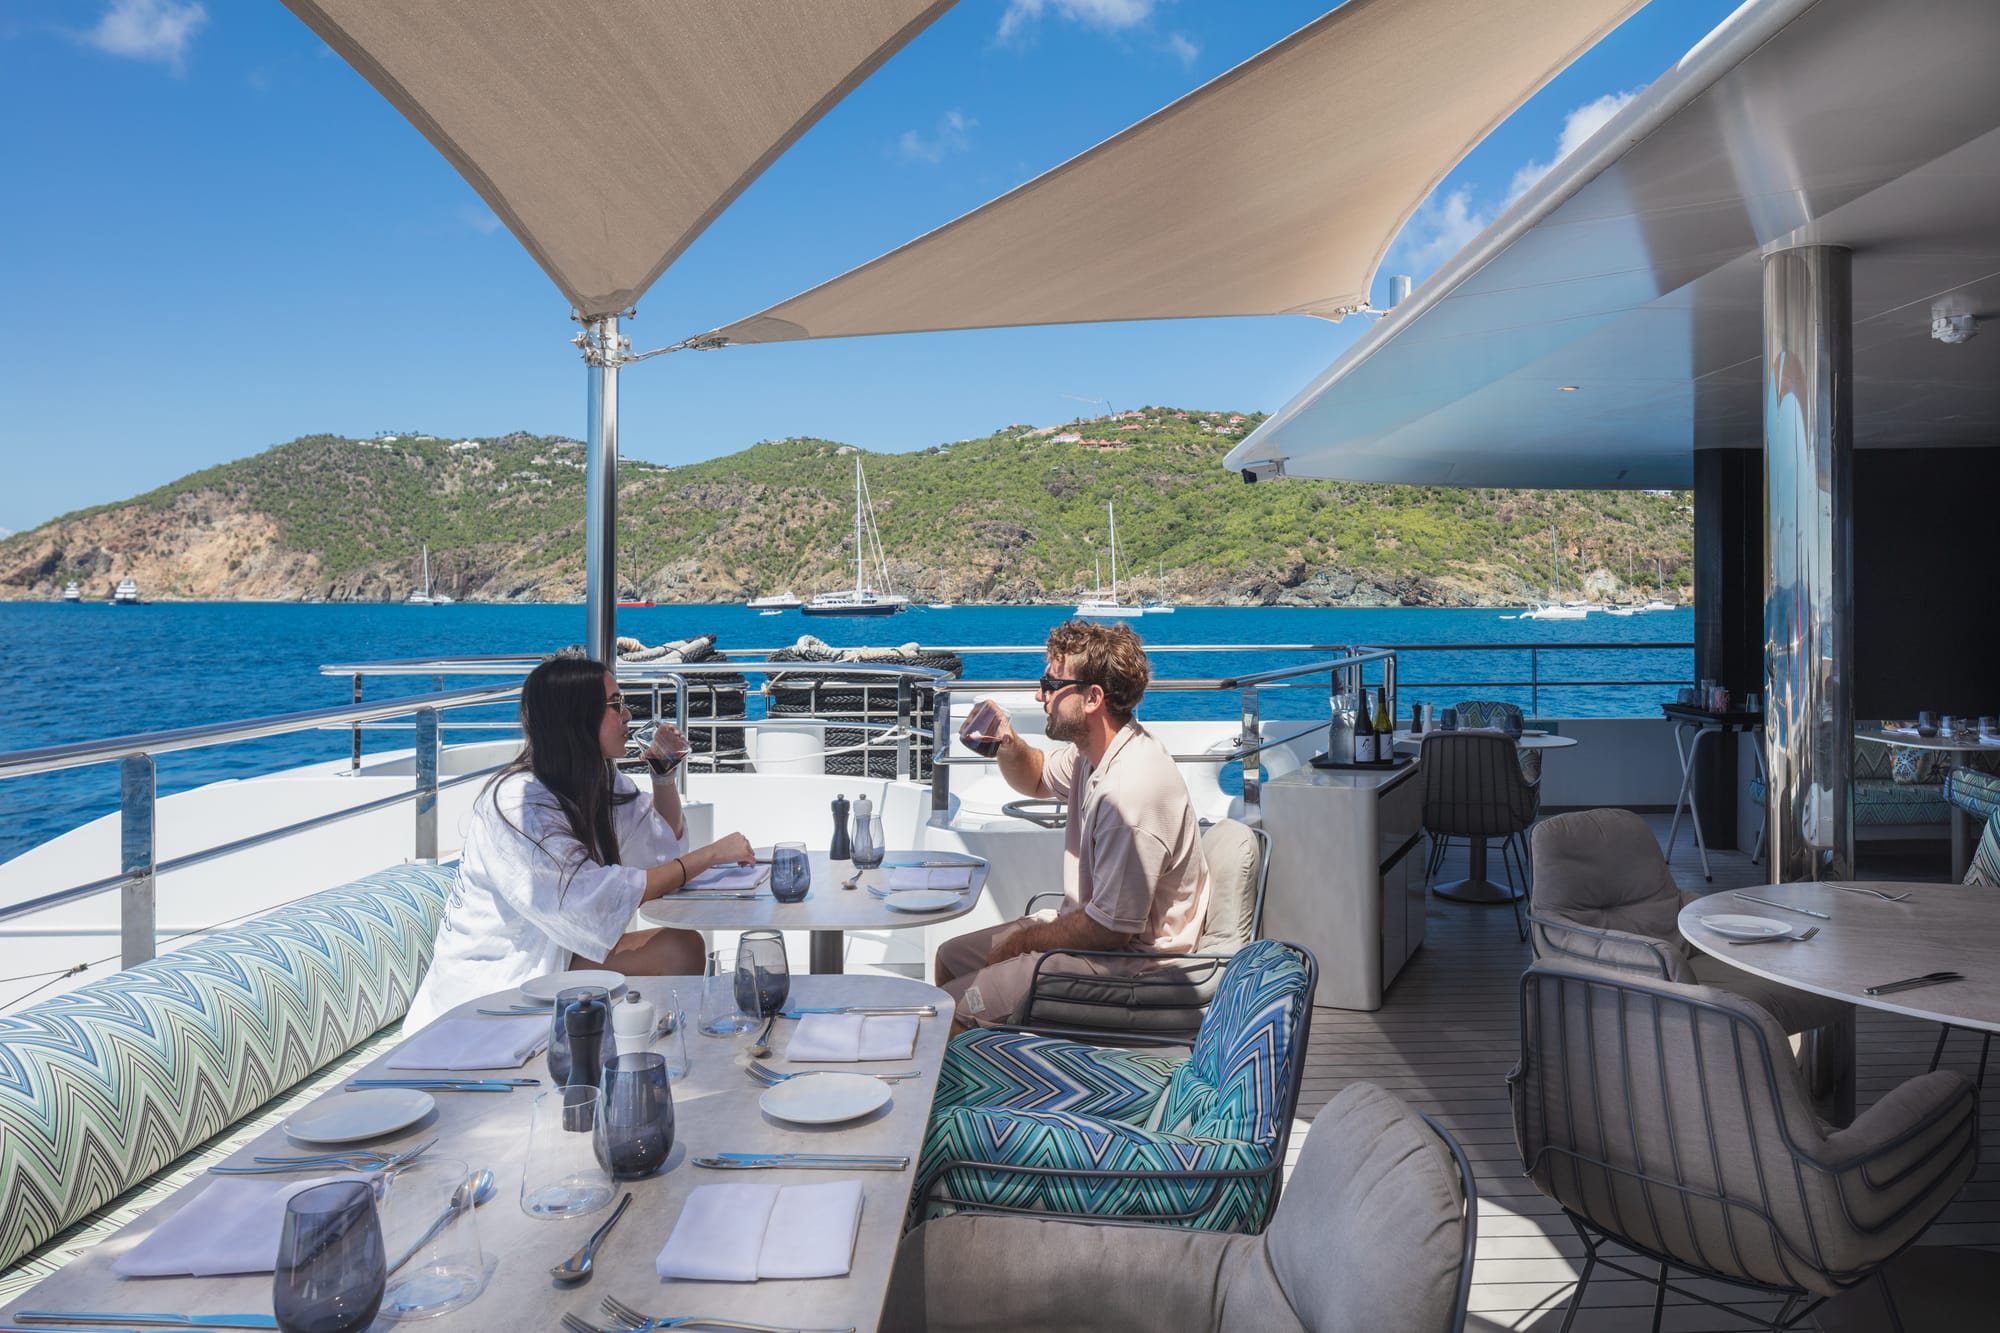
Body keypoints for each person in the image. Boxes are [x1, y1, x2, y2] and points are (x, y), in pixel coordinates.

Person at [404, 654, 753, 1029]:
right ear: (576, 716)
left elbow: (660, 851)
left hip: (555, 959)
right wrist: (714, 854)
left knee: (682, 948)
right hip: (494, 987)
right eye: (616, 704)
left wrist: (663, 776)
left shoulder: (598, 779)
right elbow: (588, 900)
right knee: (681, 950)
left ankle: (659, 1050)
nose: (628, 716)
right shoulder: (517, 804)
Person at [935, 620, 1209, 1031]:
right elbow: (1038, 775)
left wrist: (1021, 945)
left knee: (951, 1009)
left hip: (1132, 964)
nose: (1039, 695)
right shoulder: (1093, 754)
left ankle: (986, 1079)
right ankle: (991, 1061)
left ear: (1092, 697)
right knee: (950, 957)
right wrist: (1006, 741)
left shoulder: (1129, 793)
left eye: (1051, 683)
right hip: (1098, 934)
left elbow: (1109, 930)